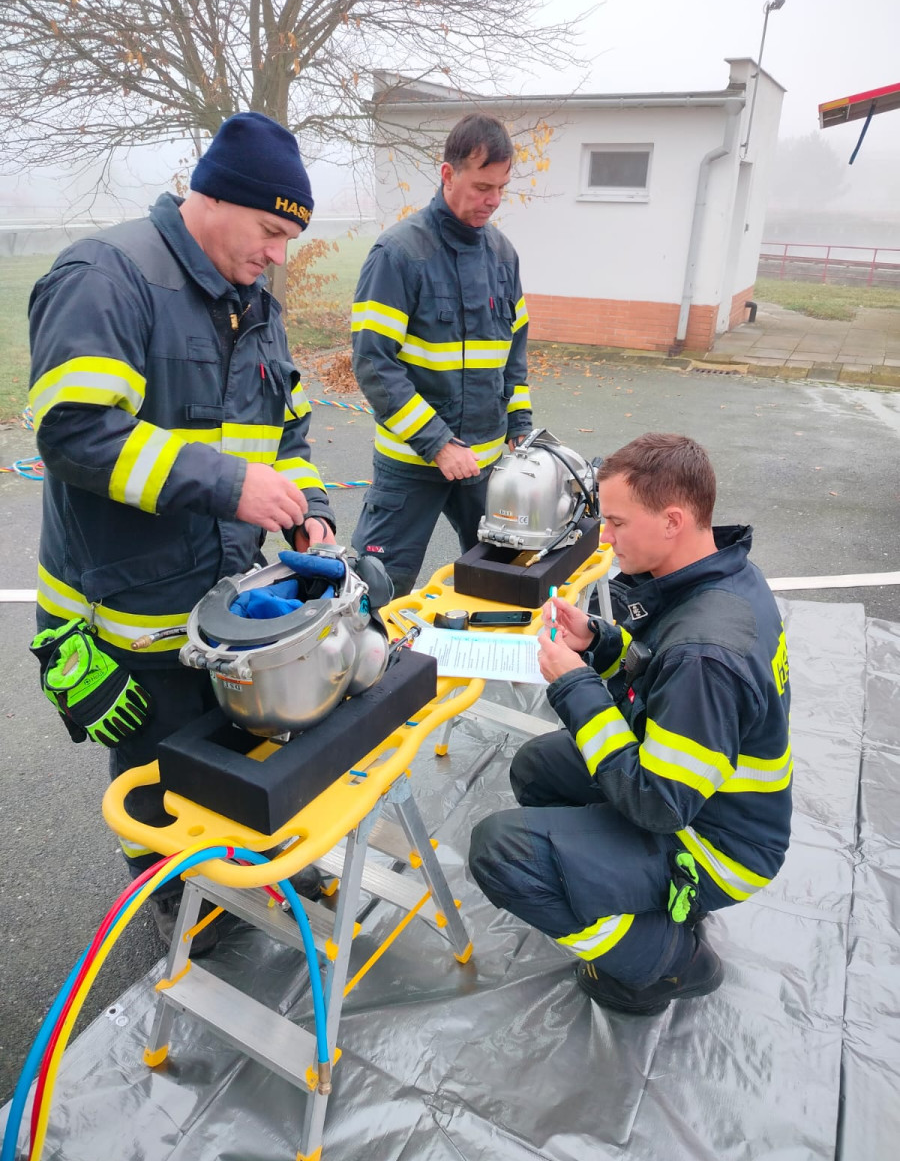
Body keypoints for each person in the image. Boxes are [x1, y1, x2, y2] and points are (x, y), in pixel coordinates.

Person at [28, 112, 336, 951]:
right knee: (156, 775)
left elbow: (289, 431)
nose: (278, 255)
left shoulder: (254, 305)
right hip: (135, 610)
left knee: (241, 749)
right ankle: (170, 898)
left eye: (289, 239)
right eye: (271, 230)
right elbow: (74, 431)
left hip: (229, 609)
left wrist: (309, 511)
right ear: (212, 198)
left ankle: (245, 865)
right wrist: (232, 487)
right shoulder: (107, 275)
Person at [469, 433, 792, 1015]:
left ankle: (666, 964)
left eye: (616, 522)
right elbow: (657, 677)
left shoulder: (706, 653)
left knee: (500, 851)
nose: (605, 538)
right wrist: (597, 643)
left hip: (716, 841)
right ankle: (618, 883)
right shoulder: (717, 578)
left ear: (672, 520)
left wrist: (573, 684)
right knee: (538, 766)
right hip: (703, 798)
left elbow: (658, 806)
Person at [349, 112, 533, 597]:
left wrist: (520, 427)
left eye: (501, 188)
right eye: (481, 187)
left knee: (503, 583)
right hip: (413, 462)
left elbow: (513, 353)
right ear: (448, 173)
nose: (492, 201)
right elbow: (374, 363)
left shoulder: (503, 256)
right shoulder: (397, 254)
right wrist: (437, 443)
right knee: (375, 593)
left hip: (486, 463)